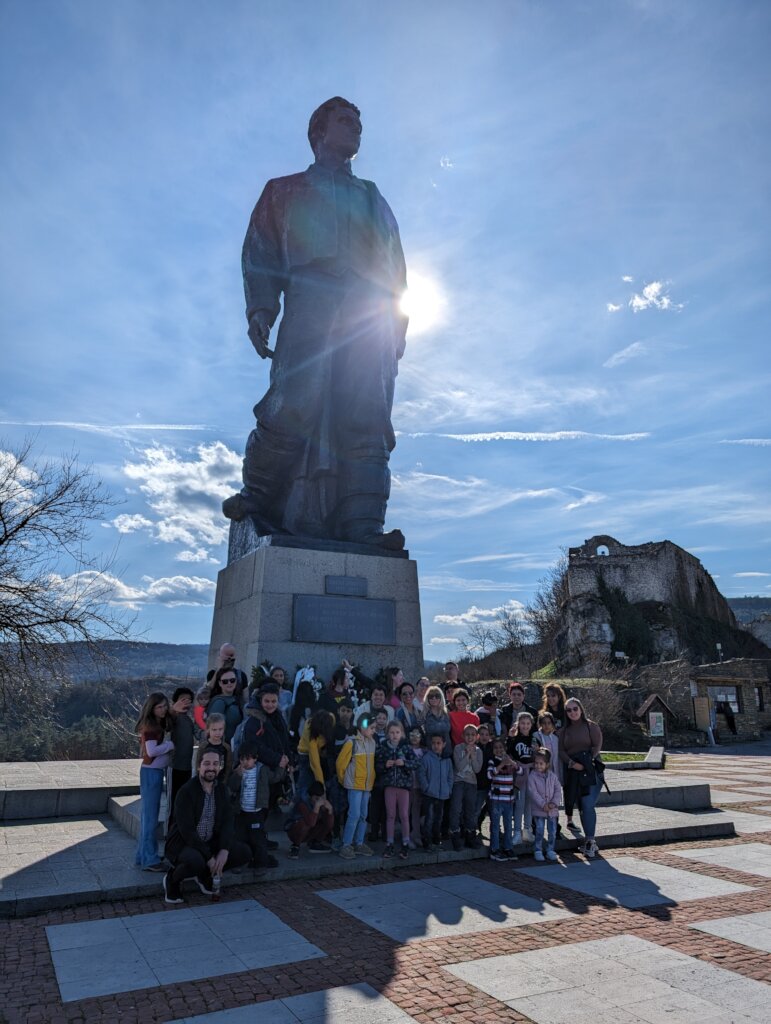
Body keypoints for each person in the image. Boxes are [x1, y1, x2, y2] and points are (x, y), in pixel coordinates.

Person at [222, 97, 408, 550]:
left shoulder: (372, 196)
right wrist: (261, 309)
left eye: (359, 124)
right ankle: (258, 497)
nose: (356, 130)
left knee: (366, 415)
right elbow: (260, 252)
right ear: (318, 133)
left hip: (369, 313)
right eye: (345, 121)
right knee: (293, 403)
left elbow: (397, 268)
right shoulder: (283, 191)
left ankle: (362, 526)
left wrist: (397, 326)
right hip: (312, 300)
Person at [163, 749, 251, 904]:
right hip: (184, 843)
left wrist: (224, 849)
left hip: (209, 841)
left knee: (243, 852)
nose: (211, 768)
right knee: (196, 861)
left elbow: (227, 821)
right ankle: (172, 879)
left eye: (215, 764)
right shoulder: (186, 791)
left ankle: (204, 876)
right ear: (199, 766)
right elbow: (187, 831)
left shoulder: (222, 790)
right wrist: (209, 858)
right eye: (207, 763)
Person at [558, 697, 603, 858]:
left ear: (581, 709)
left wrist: (587, 760)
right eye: (569, 710)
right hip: (574, 772)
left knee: (587, 803)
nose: (572, 712)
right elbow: (561, 751)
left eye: (575, 708)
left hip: (591, 770)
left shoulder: (591, 726)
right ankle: (588, 840)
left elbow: (597, 745)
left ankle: (590, 840)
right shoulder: (564, 731)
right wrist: (572, 763)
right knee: (582, 806)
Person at [135, 692, 174, 871]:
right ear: (152, 708)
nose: (163, 709)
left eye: (165, 705)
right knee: (150, 818)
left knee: (147, 817)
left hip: (152, 772)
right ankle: (149, 860)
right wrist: (169, 745)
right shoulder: (151, 727)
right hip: (152, 773)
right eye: (159, 707)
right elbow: (151, 751)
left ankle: (143, 855)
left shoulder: (155, 724)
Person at [227, 743, 280, 870]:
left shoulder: (262, 769)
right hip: (242, 812)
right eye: (242, 759)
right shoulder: (238, 771)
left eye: (248, 759)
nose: (245, 762)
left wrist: (281, 767)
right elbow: (232, 787)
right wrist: (237, 775)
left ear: (255, 758)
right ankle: (238, 863)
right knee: (239, 837)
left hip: (256, 811)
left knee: (258, 839)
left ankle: (261, 863)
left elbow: (275, 778)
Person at [336, 712, 377, 858]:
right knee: (354, 814)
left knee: (363, 815)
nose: (374, 731)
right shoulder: (351, 742)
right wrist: (344, 780)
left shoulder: (372, 742)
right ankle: (346, 844)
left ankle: (359, 842)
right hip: (354, 785)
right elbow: (340, 764)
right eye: (371, 728)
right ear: (363, 726)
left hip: (366, 785)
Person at [376, 720, 417, 859]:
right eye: (392, 732)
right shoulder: (383, 747)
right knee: (391, 815)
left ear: (402, 734)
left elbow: (416, 762)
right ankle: (390, 843)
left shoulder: (406, 748)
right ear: (387, 734)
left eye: (397, 732)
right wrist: (385, 765)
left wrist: (404, 763)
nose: (394, 735)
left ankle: (405, 843)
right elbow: (377, 765)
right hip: (389, 786)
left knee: (404, 815)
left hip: (403, 787)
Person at [486, 737, 521, 861]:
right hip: (496, 799)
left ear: (505, 748)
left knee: (508, 825)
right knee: (495, 826)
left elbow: (520, 770)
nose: (499, 750)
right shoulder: (492, 761)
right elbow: (489, 775)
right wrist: (501, 765)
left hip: (509, 799)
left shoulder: (510, 761)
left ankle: (508, 847)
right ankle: (494, 849)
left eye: (501, 747)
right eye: (496, 748)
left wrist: (511, 762)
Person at [450, 723, 483, 851]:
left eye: (473, 735)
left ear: (477, 737)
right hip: (459, 782)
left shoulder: (478, 751)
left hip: (471, 783)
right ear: (463, 736)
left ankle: (470, 836)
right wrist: (467, 754)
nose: (470, 737)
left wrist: (473, 755)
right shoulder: (458, 748)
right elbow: (459, 767)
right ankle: (455, 835)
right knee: (456, 809)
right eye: (467, 735)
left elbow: (477, 769)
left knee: (470, 810)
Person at [418, 734, 453, 849]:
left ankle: (436, 839)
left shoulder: (447, 760)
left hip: (442, 795)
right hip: (429, 794)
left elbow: (450, 776)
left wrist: (448, 789)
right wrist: (426, 787)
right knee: (429, 818)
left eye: (438, 743)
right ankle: (427, 841)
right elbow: (421, 774)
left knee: (439, 818)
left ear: (444, 744)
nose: (436, 746)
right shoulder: (426, 758)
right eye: (433, 743)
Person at [528, 746, 562, 862]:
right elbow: (533, 792)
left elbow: (558, 790)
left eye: (541, 763)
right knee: (539, 829)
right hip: (539, 809)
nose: (538, 766)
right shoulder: (532, 776)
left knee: (552, 830)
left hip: (552, 810)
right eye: (536, 763)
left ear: (547, 764)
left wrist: (553, 803)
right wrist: (543, 804)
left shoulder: (553, 776)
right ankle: (538, 849)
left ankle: (550, 849)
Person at [167, 687, 195, 827]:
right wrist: (172, 710)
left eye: (189, 700)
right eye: (182, 700)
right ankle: (169, 831)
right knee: (172, 802)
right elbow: (164, 726)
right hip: (174, 766)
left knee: (182, 800)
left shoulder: (189, 721)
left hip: (187, 767)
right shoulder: (173, 718)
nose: (186, 703)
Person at [286, 780, 335, 858]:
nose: (318, 800)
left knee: (325, 821)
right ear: (310, 796)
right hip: (294, 830)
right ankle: (295, 846)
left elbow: (329, 825)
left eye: (320, 798)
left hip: (310, 831)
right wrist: (316, 808)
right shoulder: (302, 802)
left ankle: (316, 843)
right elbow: (310, 822)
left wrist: (330, 811)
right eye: (316, 798)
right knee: (304, 823)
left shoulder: (322, 801)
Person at [508, 711, 536, 845]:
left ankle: (527, 830)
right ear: (518, 724)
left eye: (527, 723)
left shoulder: (534, 739)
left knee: (529, 804)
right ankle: (517, 832)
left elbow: (539, 755)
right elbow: (509, 753)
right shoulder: (514, 738)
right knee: (519, 804)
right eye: (522, 723)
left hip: (531, 774)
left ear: (531, 724)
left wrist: (531, 764)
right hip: (519, 775)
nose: (525, 726)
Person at [296, 710, 336, 802]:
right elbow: (315, 765)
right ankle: (299, 811)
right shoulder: (311, 737)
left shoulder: (331, 717)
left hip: (321, 751)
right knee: (305, 784)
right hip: (305, 754)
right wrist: (322, 790)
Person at [207, 667, 244, 743]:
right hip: (223, 748)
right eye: (225, 681)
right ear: (220, 683)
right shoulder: (219, 702)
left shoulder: (236, 698)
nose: (229, 683)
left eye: (232, 680)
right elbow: (214, 729)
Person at [195, 713, 233, 781]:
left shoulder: (227, 747)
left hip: (221, 781)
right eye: (214, 730)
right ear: (208, 730)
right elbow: (198, 765)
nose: (217, 733)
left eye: (220, 729)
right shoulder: (203, 747)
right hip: (205, 780)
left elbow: (228, 766)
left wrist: (225, 781)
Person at [406, 726, 425, 846]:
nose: (414, 738)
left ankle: (416, 835)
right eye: (412, 735)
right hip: (407, 786)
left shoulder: (425, 751)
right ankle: (406, 837)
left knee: (416, 812)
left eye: (417, 735)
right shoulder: (405, 749)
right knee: (405, 812)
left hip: (419, 786)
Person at [420, 685, 452, 755]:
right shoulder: (424, 714)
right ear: (427, 698)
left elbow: (448, 728)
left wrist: (434, 727)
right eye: (431, 696)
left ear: (441, 697)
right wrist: (441, 726)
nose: (434, 698)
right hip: (430, 750)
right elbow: (425, 731)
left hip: (446, 750)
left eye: (437, 696)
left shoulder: (446, 713)